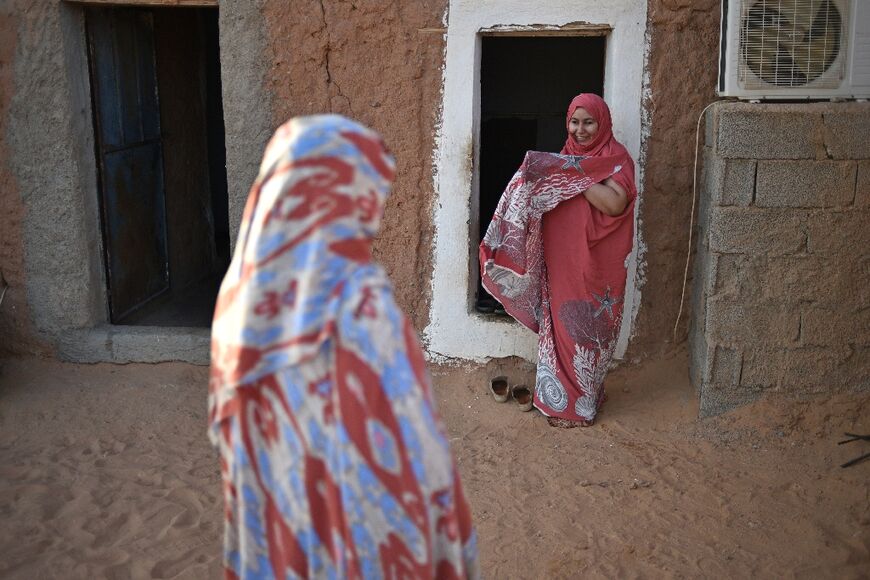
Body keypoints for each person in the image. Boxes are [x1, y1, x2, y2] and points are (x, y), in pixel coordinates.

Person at [209, 115, 479, 579]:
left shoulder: (240, 300)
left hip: (278, 530)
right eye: (366, 194)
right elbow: (414, 446)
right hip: (357, 541)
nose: (372, 213)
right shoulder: (357, 303)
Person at [479, 93, 637, 428]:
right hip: (561, 257)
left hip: (598, 264)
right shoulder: (566, 156)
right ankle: (566, 404)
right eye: (574, 122)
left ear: (602, 122)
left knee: (591, 329)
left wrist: (571, 176)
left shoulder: (617, 158)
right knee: (563, 328)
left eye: (588, 122)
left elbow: (615, 205)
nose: (580, 130)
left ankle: (586, 397)